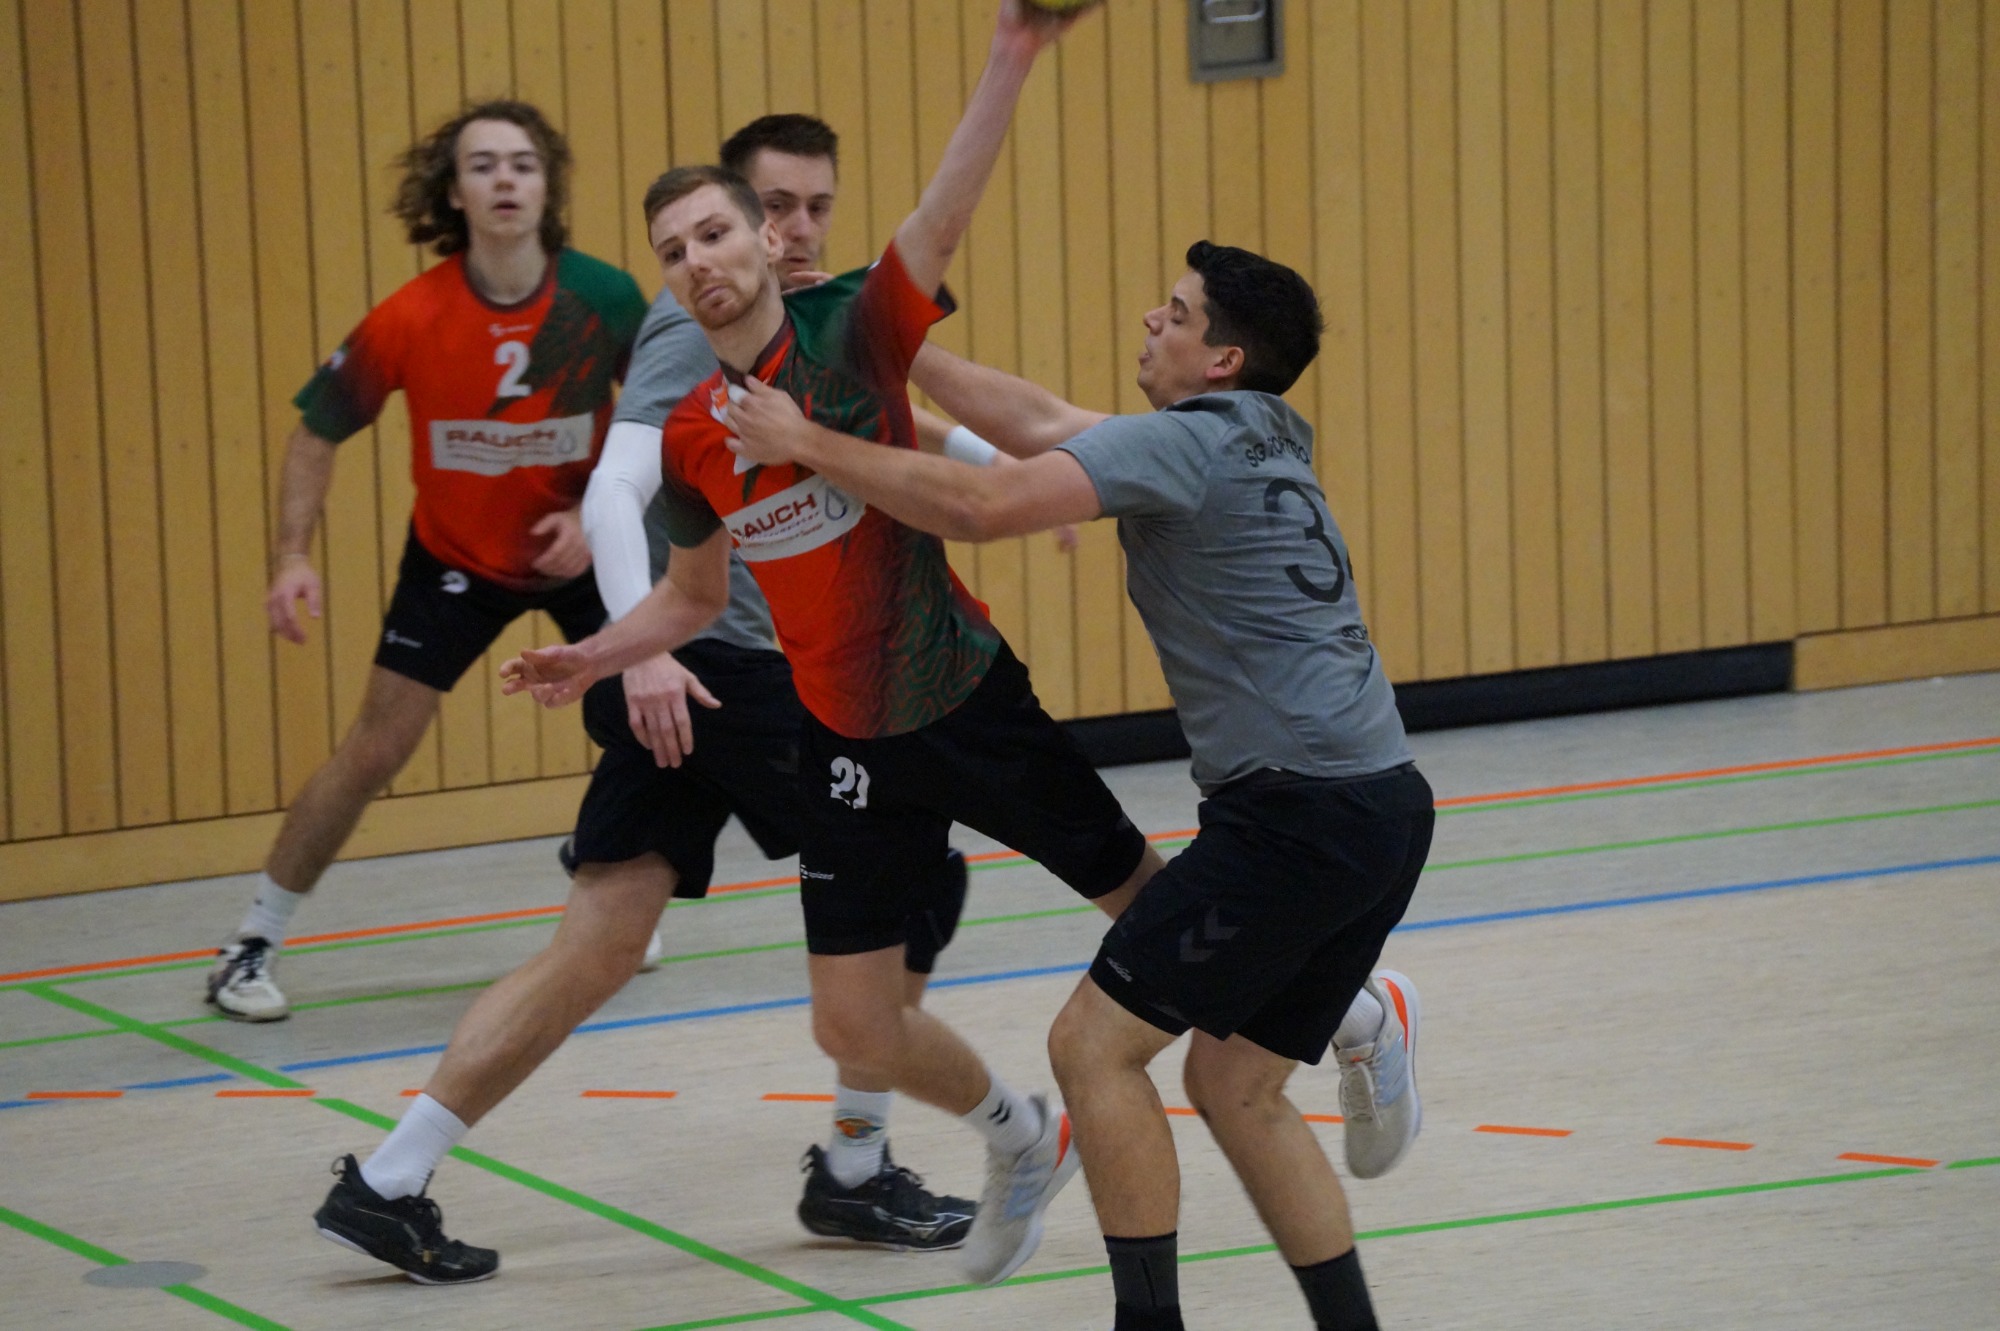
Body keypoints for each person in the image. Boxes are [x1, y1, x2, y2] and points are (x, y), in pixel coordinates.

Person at [503, 0, 1167, 1288]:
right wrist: (594, 655)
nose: (697, 259)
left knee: (1142, 903)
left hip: (960, 698)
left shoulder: (856, 325)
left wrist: (1011, 54)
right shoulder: (693, 432)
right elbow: (693, 598)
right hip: (843, 740)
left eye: (715, 231)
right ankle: (1020, 1134)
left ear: (766, 237)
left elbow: (943, 214)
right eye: (672, 249)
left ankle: (1350, 1009)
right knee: (851, 1020)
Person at [722, 240, 1429, 1330]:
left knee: (1091, 1047)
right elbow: (1041, 420)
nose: (1152, 317)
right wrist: (889, 346)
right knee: (1233, 1086)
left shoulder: (1184, 444)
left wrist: (805, 437)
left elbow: (976, 505)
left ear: (1221, 359)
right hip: (1383, 803)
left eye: (1177, 313)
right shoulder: (1259, 432)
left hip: (1296, 814)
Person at [573, 110, 998, 1252]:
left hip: (720, 670)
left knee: (597, 942)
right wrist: (642, 647)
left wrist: (1001, 465)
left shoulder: (799, 322)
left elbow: (861, 417)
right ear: (732, 224)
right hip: (726, 669)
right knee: (917, 881)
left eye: (816, 207)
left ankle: (393, 1166)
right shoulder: (694, 326)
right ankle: (865, 1162)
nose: (798, 228)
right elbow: (617, 488)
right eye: (772, 209)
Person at [202, 101, 645, 1025]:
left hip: (585, 546)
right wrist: (292, 556)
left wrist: (593, 509)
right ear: (454, 194)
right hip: (456, 559)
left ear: (547, 186)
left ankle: (612, 900)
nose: (505, 179)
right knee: (376, 747)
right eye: (483, 165)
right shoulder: (412, 315)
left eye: (522, 163)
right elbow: (316, 433)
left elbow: (664, 415)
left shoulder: (603, 299)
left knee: (653, 720)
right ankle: (250, 943)